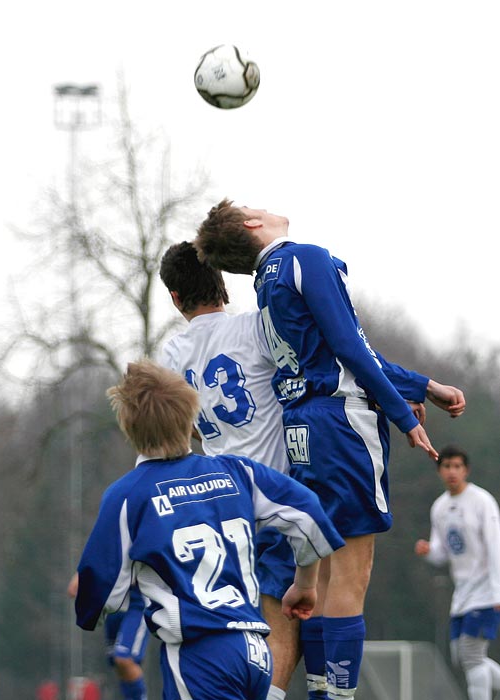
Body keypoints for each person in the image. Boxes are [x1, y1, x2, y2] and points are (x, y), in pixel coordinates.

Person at [194, 200, 466, 700]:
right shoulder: (305, 258)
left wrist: (423, 384)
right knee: (349, 574)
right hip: (343, 424)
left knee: (319, 568)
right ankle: (336, 695)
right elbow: (349, 348)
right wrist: (403, 416)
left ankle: (323, 691)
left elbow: (344, 345)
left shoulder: (265, 283)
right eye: (254, 206)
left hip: (302, 426)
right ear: (253, 225)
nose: (264, 206)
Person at [74, 358, 345, 700]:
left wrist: (92, 612)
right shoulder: (236, 472)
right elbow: (308, 512)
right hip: (255, 652)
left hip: (199, 657)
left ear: (129, 429)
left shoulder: (128, 495)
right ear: (191, 420)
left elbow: (101, 592)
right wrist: (305, 584)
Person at [159, 240, 299, 700]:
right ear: (223, 281)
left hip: (217, 507)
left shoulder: (170, 354)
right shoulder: (256, 326)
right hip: (274, 498)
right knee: (280, 621)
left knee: (234, 624)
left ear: (176, 299)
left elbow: (174, 435)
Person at [415, 445, 500, 700]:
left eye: (457, 466)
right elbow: (443, 553)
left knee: (471, 655)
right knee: (460, 655)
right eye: (447, 466)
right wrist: (429, 551)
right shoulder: (439, 507)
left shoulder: (481, 501)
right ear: (440, 470)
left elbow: (495, 546)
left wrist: (497, 591)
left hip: (486, 589)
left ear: (466, 470)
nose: (452, 472)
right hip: (462, 593)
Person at [68, 572, 149, 700]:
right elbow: (97, 554)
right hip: (113, 608)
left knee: (124, 659)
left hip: (136, 605)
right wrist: (81, 575)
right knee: (118, 665)